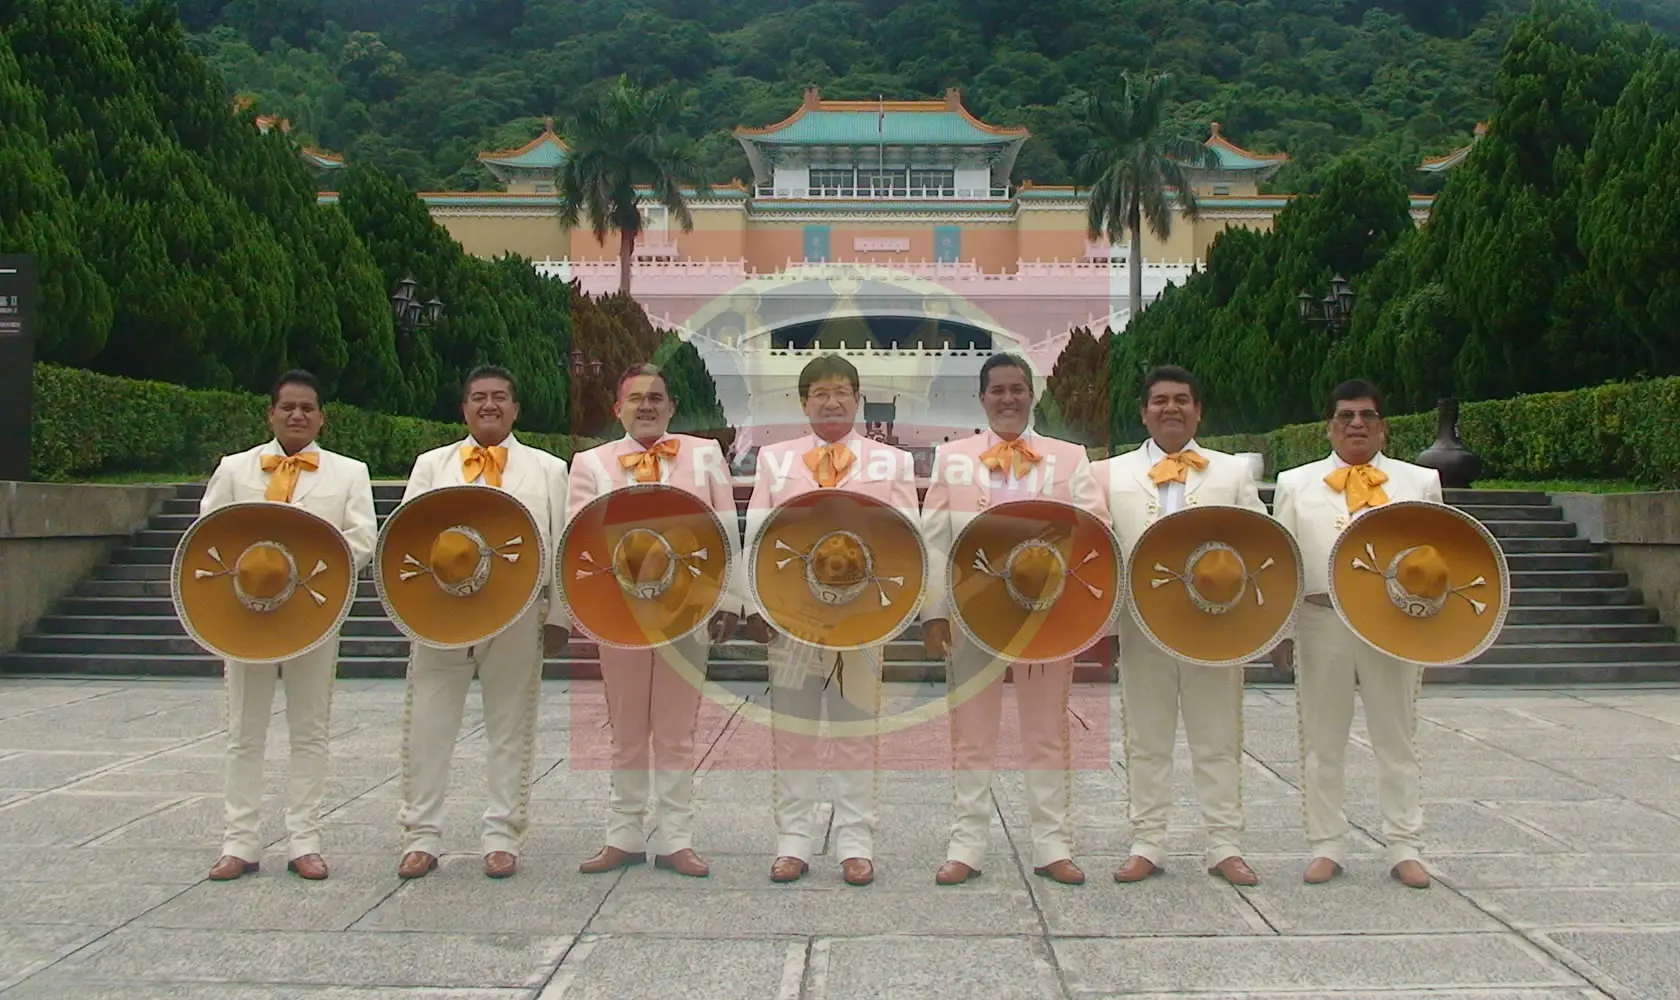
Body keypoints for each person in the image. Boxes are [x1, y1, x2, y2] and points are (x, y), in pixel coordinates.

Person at [921, 353, 1101, 886]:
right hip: (971, 611)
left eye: (1017, 388)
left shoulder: (1070, 458)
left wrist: (1082, 611)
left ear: (1032, 394)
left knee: (1046, 730)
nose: (1007, 398)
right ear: (981, 398)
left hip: (1046, 614)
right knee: (972, 732)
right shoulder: (952, 459)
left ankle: (1052, 844)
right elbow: (934, 540)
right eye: (997, 389)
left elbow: (1097, 530)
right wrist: (933, 613)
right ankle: (966, 845)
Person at [744, 354, 916, 887]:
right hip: (793, 613)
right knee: (793, 726)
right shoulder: (775, 460)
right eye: (820, 392)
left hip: (863, 617)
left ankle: (855, 842)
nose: (832, 401)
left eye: (842, 391)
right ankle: (792, 841)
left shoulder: (892, 464)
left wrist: (901, 608)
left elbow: (907, 540)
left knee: (855, 726)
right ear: (803, 402)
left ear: (857, 399)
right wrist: (755, 604)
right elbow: (756, 534)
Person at [394, 365, 570, 880]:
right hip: (441, 614)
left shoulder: (547, 470)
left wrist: (557, 615)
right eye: (478, 398)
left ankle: (502, 835)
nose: (488, 405)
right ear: (463, 408)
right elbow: (405, 540)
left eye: (499, 397)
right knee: (428, 721)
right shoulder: (431, 464)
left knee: (511, 723)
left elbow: (560, 545)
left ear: (516, 408)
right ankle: (420, 835)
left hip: (517, 614)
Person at [569, 364, 744, 879]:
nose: (646, 406)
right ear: (616, 408)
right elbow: (577, 539)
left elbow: (725, 531)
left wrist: (730, 601)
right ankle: (621, 834)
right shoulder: (590, 462)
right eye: (635, 398)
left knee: (675, 727)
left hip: (686, 609)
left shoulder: (703, 454)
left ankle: (676, 838)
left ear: (671, 406)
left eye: (657, 398)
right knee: (625, 726)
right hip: (618, 610)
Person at [1094, 365, 1267, 886]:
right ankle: (1147, 841)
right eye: (1161, 400)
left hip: (1215, 628)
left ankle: (1225, 843)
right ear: (1144, 411)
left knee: (1217, 737)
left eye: (1183, 400)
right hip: (1142, 626)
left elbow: (1262, 546)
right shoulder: (1109, 473)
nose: (1172, 408)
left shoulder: (1231, 473)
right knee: (1146, 738)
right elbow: (1096, 548)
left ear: (1199, 410)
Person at [201, 369, 377, 882]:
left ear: (322, 416)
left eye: (307, 408)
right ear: (270, 413)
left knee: (310, 731)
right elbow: (208, 533)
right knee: (243, 731)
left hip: (313, 615)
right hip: (246, 616)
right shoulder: (235, 469)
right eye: (287, 407)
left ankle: (305, 840)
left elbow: (362, 539)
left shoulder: (349, 472)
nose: (297, 415)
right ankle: (239, 842)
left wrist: (307, 565)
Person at [1272, 379, 1443, 889]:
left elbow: (1441, 557)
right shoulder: (1295, 483)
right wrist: (1283, 632)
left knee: (1397, 736)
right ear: (1329, 425)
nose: (1356, 424)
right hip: (1321, 620)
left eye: (1367, 415)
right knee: (1322, 739)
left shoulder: (1420, 481)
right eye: (1345, 416)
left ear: (1383, 426)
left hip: (1394, 623)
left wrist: (1432, 627)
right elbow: (1284, 562)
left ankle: (1404, 846)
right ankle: (1326, 844)